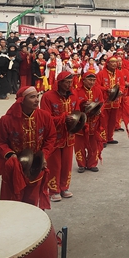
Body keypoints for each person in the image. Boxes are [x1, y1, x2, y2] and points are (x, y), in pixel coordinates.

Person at [0, 86, 56, 208]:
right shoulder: (6, 120)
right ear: (21, 100)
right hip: (15, 166)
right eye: (32, 97)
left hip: (36, 167)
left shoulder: (45, 116)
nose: (37, 100)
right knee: (12, 202)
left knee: (32, 202)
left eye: (37, 96)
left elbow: (51, 137)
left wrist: (43, 156)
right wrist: (11, 155)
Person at [40, 72, 78, 202]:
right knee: (54, 163)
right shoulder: (47, 96)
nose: (69, 85)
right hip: (54, 137)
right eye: (66, 82)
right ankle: (53, 190)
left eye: (71, 82)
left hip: (69, 135)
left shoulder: (74, 96)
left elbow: (77, 112)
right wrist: (63, 118)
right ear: (59, 82)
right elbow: (45, 118)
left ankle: (64, 187)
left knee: (67, 163)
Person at [74, 71, 105, 173]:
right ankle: (81, 164)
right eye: (89, 80)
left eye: (93, 80)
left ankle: (92, 164)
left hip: (94, 122)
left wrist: (99, 110)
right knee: (79, 144)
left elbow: (101, 102)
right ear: (83, 80)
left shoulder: (98, 90)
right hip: (81, 123)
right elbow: (74, 104)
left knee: (94, 143)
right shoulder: (76, 91)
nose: (92, 82)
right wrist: (82, 104)